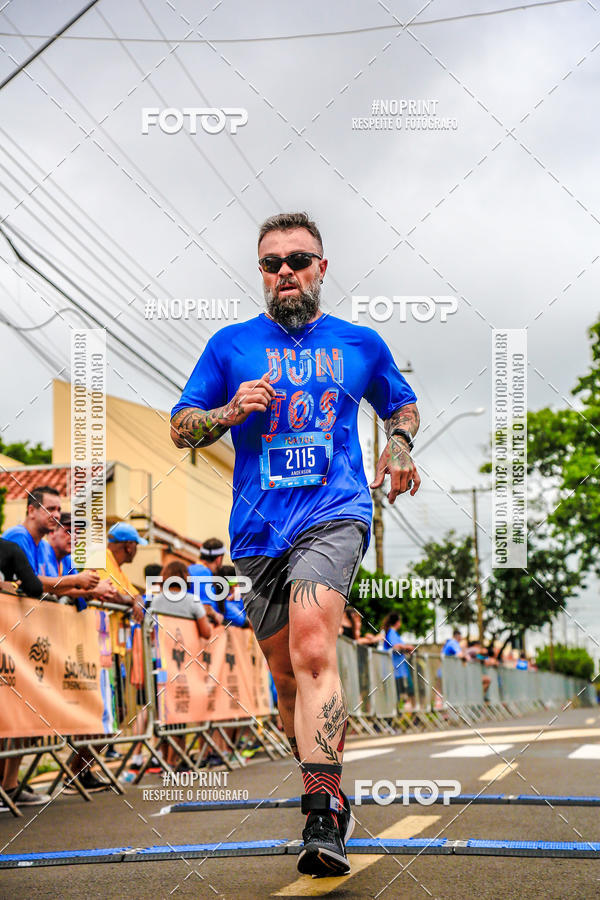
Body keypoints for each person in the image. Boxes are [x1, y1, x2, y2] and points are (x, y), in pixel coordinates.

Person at [170, 211, 421, 876]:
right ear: (261, 272)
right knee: (287, 681)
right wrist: (226, 413)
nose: (286, 272)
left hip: (335, 512)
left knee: (315, 642)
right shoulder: (230, 347)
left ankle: (321, 815)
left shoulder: (360, 343)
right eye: (272, 262)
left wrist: (397, 445)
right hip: (257, 531)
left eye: (299, 260)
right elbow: (181, 426)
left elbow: (402, 405)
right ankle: (329, 785)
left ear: (322, 268)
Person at [2, 485, 100, 596]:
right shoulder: (18, 536)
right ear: (32, 510)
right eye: (50, 509)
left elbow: (50, 588)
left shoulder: (41, 544)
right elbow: (29, 582)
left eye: (59, 510)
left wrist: (88, 586)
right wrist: (76, 580)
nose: (57, 515)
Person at [188, 539, 226, 628]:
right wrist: (216, 615)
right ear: (219, 559)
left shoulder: (189, 568)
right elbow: (205, 607)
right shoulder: (203, 572)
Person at [381, 613, 415, 702]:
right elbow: (395, 646)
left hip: (398, 670)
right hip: (394, 669)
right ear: (397, 622)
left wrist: (405, 649)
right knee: (395, 694)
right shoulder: (391, 633)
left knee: (399, 694)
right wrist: (407, 647)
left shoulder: (394, 633)